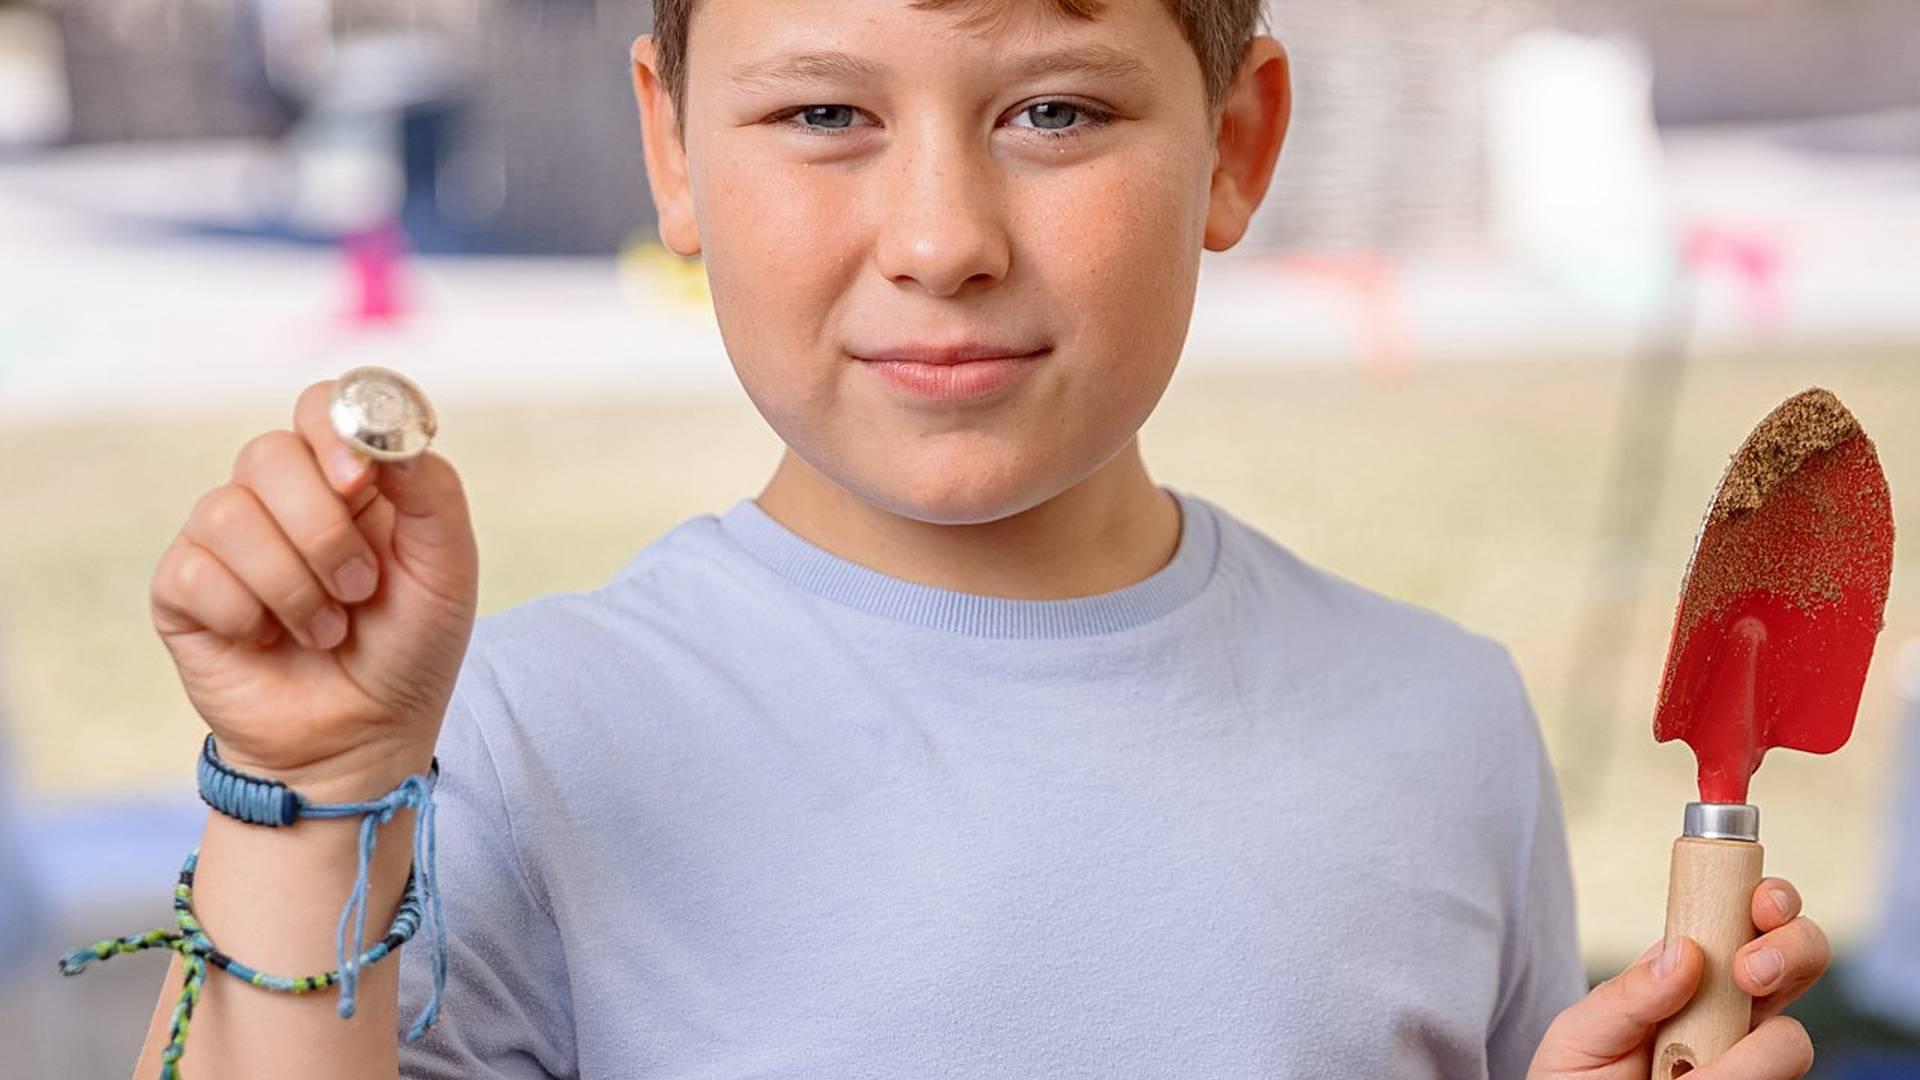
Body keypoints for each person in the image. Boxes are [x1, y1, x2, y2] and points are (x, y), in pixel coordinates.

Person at [127, 1, 1830, 1076]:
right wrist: (320, 784)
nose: (941, 240)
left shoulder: (1446, 718)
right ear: (675, 147)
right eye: (822, 116)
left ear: (1235, 149)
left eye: (1055, 112)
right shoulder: (507, 741)